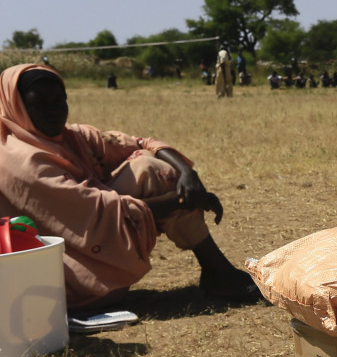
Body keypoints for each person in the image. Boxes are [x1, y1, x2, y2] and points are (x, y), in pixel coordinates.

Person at [0, 64, 257, 308]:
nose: (54, 110)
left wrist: (187, 173)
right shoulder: (21, 162)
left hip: (91, 238)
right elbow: (95, 211)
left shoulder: (71, 137)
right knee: (155, 176)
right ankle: (219, 274)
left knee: (148, 167)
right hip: (61, 278)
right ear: (17, 106)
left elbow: (139, 143)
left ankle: (217, 273)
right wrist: (184, 200)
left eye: (60, 100)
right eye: (39, 103)